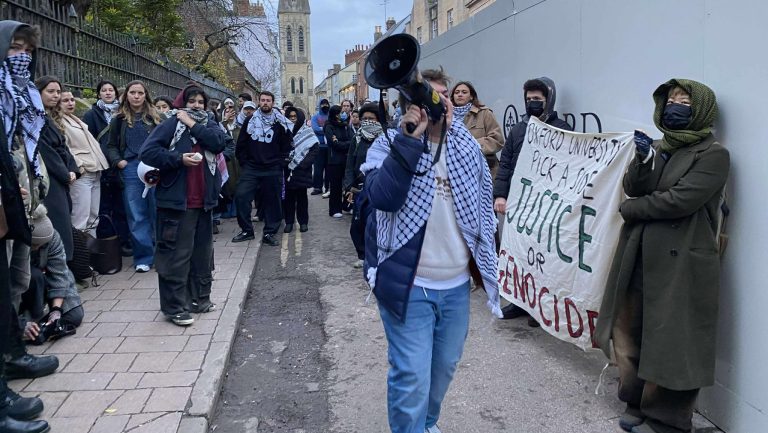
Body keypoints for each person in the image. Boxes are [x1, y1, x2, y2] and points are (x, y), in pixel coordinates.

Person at [361, 68, 501, 433]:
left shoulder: (467, 147)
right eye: (430, 96)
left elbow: (482, 209)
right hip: (409, 284)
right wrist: (410, 141)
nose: (442, 103)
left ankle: (425, 423)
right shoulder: (390, 144)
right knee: (411, 375)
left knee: (443, 368)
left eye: (445, 96)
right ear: (411, 106)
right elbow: (383, 198)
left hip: (455, 287)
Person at [595, 79, 729, 433]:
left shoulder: (713, 154)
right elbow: (633, 186)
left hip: (681, 259)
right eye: (670, 100)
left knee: (672, 339)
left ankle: (667, 418)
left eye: (684, 101)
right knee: (630, 328)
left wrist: (631, 208)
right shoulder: (658, 147)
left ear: (701, 109)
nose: (674, 106)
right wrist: (642, 161)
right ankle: (635, 400)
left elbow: (680, 201)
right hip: (639, 251)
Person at [0, 20, 56, 433]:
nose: (21, 57)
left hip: (19, 201)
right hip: (6, 200)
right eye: (13, 48)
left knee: (12, 285)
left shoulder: (20, 95)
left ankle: (12, 355)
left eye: (26, 50)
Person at [140, 85, 226, 326]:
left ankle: (200, 299)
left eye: (200, 102)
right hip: (177, 203)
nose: (196, 105)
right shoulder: (169, 124)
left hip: (204, 202)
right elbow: (148, 152)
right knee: (176, 256)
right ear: (182, 103)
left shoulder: (209, 124)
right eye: (192, 101)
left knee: (202, 255)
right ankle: (175, 307)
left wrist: (192, 123)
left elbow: (219, 143)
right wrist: (178, 159)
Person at [493, 76, 573, 326]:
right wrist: (500, 195)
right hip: (519, 203)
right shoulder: (518, 129)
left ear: (549, 100)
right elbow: (505, 164)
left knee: (542, 259)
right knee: (519, 254)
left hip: (545, 206)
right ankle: (519, 301)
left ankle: (539, 307)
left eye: (537, 99)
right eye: (529, 99)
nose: (532, 103)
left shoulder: (562, 128)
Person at [105, 80, 163, 272]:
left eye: (140, 93)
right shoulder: (119, 119)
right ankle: (143, 257)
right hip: (130, 168)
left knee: (157, 210)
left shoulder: (156, 117)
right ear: (126, 95)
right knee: (136, 213)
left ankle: (161, 255)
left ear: (146, 95)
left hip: (154, 165)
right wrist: (119, 162)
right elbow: (111, 145)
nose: (136, 96)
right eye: (132, 92)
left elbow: (167, 140)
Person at [232, 90, 292, 246]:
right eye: (263, 100)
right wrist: (245, 163)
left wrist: (281, 163)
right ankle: (247, 230)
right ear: (259, 102)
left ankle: (269, 232)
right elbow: (241, 144)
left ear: (273, 103)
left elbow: (287, 145)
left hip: (273, 167)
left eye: (268, 100)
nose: (265, 103)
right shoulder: (250, 120)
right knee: (241, 196)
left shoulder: (280, 122)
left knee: (273, 201)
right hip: (252, 167)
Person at [21, 205, 84, 345]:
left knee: (74, 315)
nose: (38, 248)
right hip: (23, 288)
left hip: (47, 282)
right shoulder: (14, 242)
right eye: (35, 245)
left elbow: (60, 274)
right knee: (34, 276)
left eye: (42, 245)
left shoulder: (52, 236)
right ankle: (25, 323)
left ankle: (42, 326)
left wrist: (56, 311)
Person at [83, 79, 131, 257]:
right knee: (102, 207)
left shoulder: (123, 113)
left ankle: (124, 241)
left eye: (111, 90)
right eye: (104, 90)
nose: (108, 93)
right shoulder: (91, 114)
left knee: (121, 207)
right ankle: (107, 244)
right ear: (99, 94)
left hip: (119, 164)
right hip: (101, 166)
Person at [35, 76, 78, 262]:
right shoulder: (35, 118)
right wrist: (65, 173)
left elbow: (64, 148)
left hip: (61, 177)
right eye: (50, 91)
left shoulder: (48, 117)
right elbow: (45, 151)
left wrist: (73, 170)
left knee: (65, 223)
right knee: (58, 225)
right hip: (50, 179)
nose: (56, 95)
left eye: (58, 92)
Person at [59, 90, 109, 231]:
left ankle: (91, 245)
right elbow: (65, 148)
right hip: (83, 173)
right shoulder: (58, 121)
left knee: (93, 219)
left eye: (72, 100)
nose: (70, 103)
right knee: (80, 219)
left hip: (95, 170)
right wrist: (80, 167)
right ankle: (79, 246)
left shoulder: (74, 118)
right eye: (65, 100)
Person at [344, 102, 381, 268]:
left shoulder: (385, 138)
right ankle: (362, 255)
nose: (367, 121)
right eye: (364, 118)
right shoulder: (357, 138)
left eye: (371, 118)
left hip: (378, 187)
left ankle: (376, 256)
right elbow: (349, 163)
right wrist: (348, 186)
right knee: (357, 225)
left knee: (375, 224)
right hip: (359, 188)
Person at [450, 81, 503, 179]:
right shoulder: (447, 117)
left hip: (484, 171)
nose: (460, 94)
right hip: (457, 172)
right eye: (456, 92)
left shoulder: (484, 113)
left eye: (464, 92)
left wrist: (471, 145)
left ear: (471, 96)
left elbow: (497, 140)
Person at [282, 107, 318, 233]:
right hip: (287, 169)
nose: (292, 119)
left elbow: (314, 149)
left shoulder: (307, 131)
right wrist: (285, 160)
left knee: (302, 197)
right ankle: (289, 222)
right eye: (290, 117)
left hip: (302, 169)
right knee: (288, 198)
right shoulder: (284, 130)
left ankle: (303, 222)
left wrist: (304, 163)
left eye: (295, 116)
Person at [323, 105, 352, 218]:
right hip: (334, 160)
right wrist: (344, 144)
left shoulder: (345, 126)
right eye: (341, 112)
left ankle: (347, 205)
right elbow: (333, 143)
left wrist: (341, 143)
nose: (343, 114)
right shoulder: (329, 126)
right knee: (336, 186)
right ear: (335, 114)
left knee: (349, 183)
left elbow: (352, 140)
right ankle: (335, 209)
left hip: (346, 159)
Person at [310, 98, 330, 195]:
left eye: (326, 104)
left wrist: (322, 129)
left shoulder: (331, 116)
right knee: (318, 169)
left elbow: (332, 128)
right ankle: (317, 187)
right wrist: (327, 130)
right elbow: (315, 129)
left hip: (329, 147)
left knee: (329, 169)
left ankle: (328, 187)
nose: (325, 106)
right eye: (323, 104)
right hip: (319, 146)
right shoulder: (315, 117)